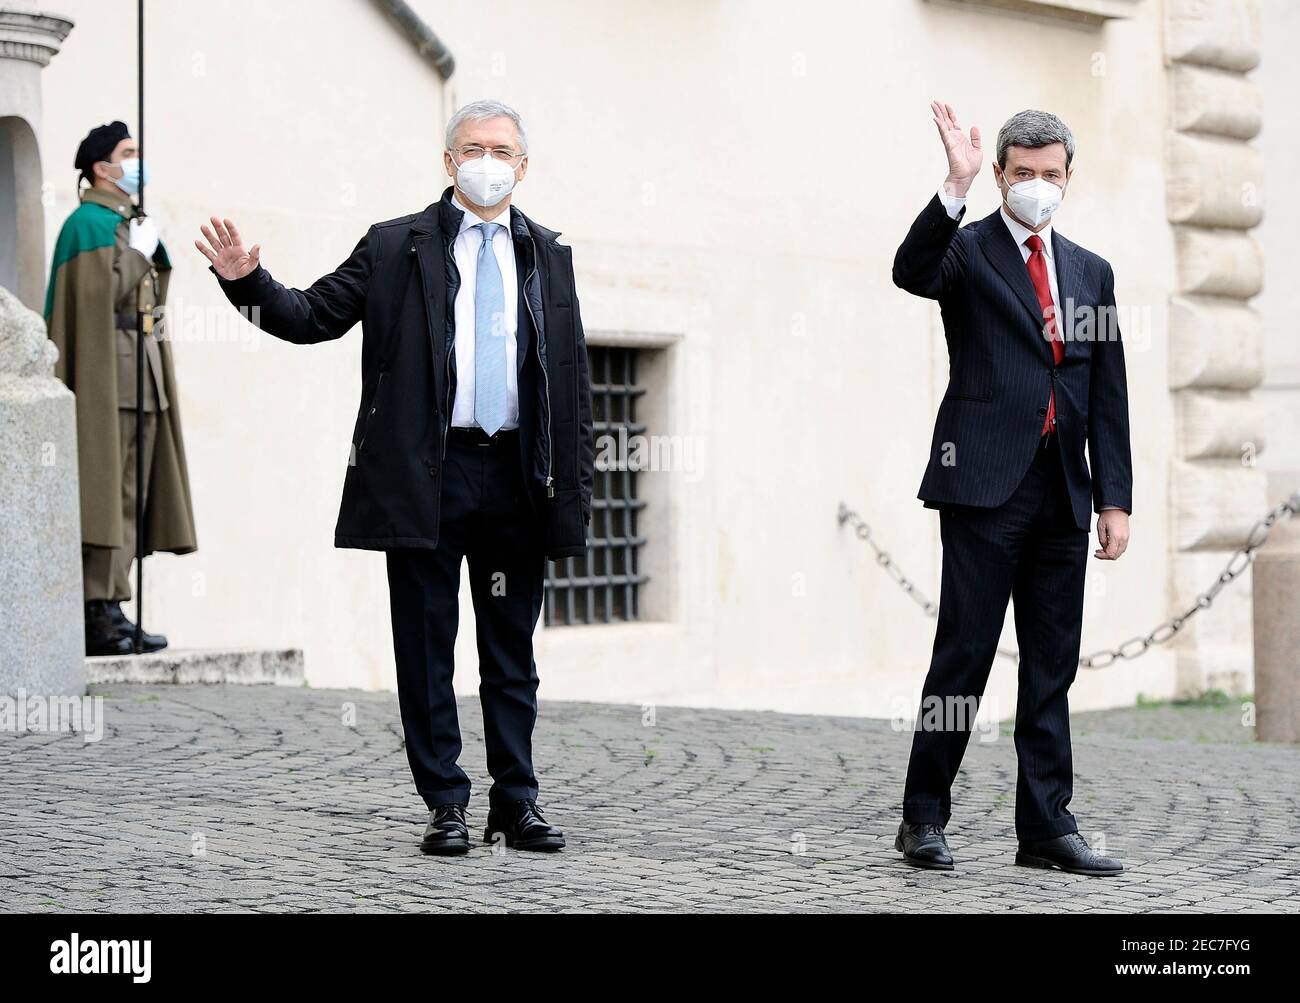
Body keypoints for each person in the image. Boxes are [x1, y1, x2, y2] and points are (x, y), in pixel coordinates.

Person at [197, 100, 593, 854]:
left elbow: (569, 379)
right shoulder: (394, 247)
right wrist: (247, 284)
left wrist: (573, 478)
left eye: (501, 150)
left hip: (514, 476)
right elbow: (310, 313)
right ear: (449, 162)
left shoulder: (548, 254)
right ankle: (445, 801)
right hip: (429, 475)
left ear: (523, 166)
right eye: (473, 147)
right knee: (425, 645)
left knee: (512, 654)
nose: (487, 161)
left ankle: (517, 801)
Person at [891, 103, 1132, 875]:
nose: (1037, 186)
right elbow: (911, 271)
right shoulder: (967, 250)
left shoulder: (1092, 271)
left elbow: (1107, 389)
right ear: (1000, 175)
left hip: (1063, 489)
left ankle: (1045, 826)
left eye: (1049, 174)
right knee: (961, 655)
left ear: (1068, 178)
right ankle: (922, 818)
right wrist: (953, 185)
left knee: (1051, 664)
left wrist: (1114, 497)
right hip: (984, 486)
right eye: (1021, 174)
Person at [46, 120, 197, 656]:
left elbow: (149, 300)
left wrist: (145, 250)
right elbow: (93, 302)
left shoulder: (127, 221)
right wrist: (135, 254)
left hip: (143, 373)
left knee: (132, 490)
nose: (137, 162)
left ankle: (115, 603)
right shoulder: (87, 225)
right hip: (107, 372)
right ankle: (95, 607)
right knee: (106, 488)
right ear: (100, 167)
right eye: (127, 153)